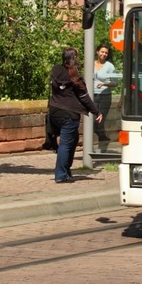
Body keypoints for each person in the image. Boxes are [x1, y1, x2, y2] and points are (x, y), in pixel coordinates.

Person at [48, 47, 103, 183]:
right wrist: (96, 112)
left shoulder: (55, 70)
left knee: (71, 141)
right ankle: (61, 175)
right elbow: (84, 97)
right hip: (69, 114)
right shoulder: (74, 76)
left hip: (54, 111)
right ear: (74, 59)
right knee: (66, 144)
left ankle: (66, 171)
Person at [93, 43, 118, 148]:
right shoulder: (91, 64)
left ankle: (102, 144)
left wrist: (104, 84)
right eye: (102, 52)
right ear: (97, 52)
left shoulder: (110, 66)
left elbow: (115, 83)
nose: (104, 54)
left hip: (105, 96)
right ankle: (103, 139)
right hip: (93, 96)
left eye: (106, 53)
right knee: (92, 121)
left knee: (99, 121)